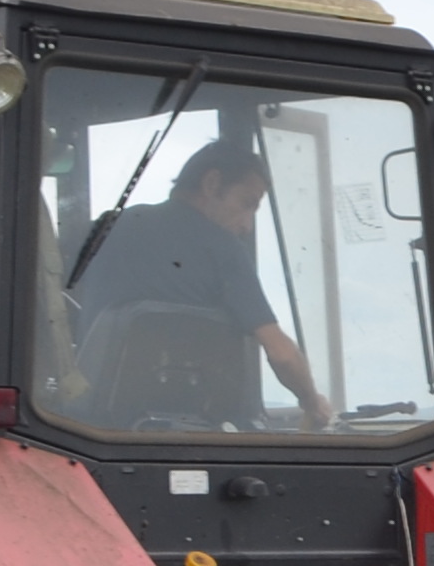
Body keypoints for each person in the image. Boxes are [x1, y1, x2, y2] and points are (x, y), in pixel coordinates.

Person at [71, 135, 329, 428]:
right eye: (247, 204)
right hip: (187, 429)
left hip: (87, 426)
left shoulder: (105, 230)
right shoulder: (222, 248)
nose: (246, 225)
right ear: (212, 184)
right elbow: (281, 354)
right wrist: (311, 402)